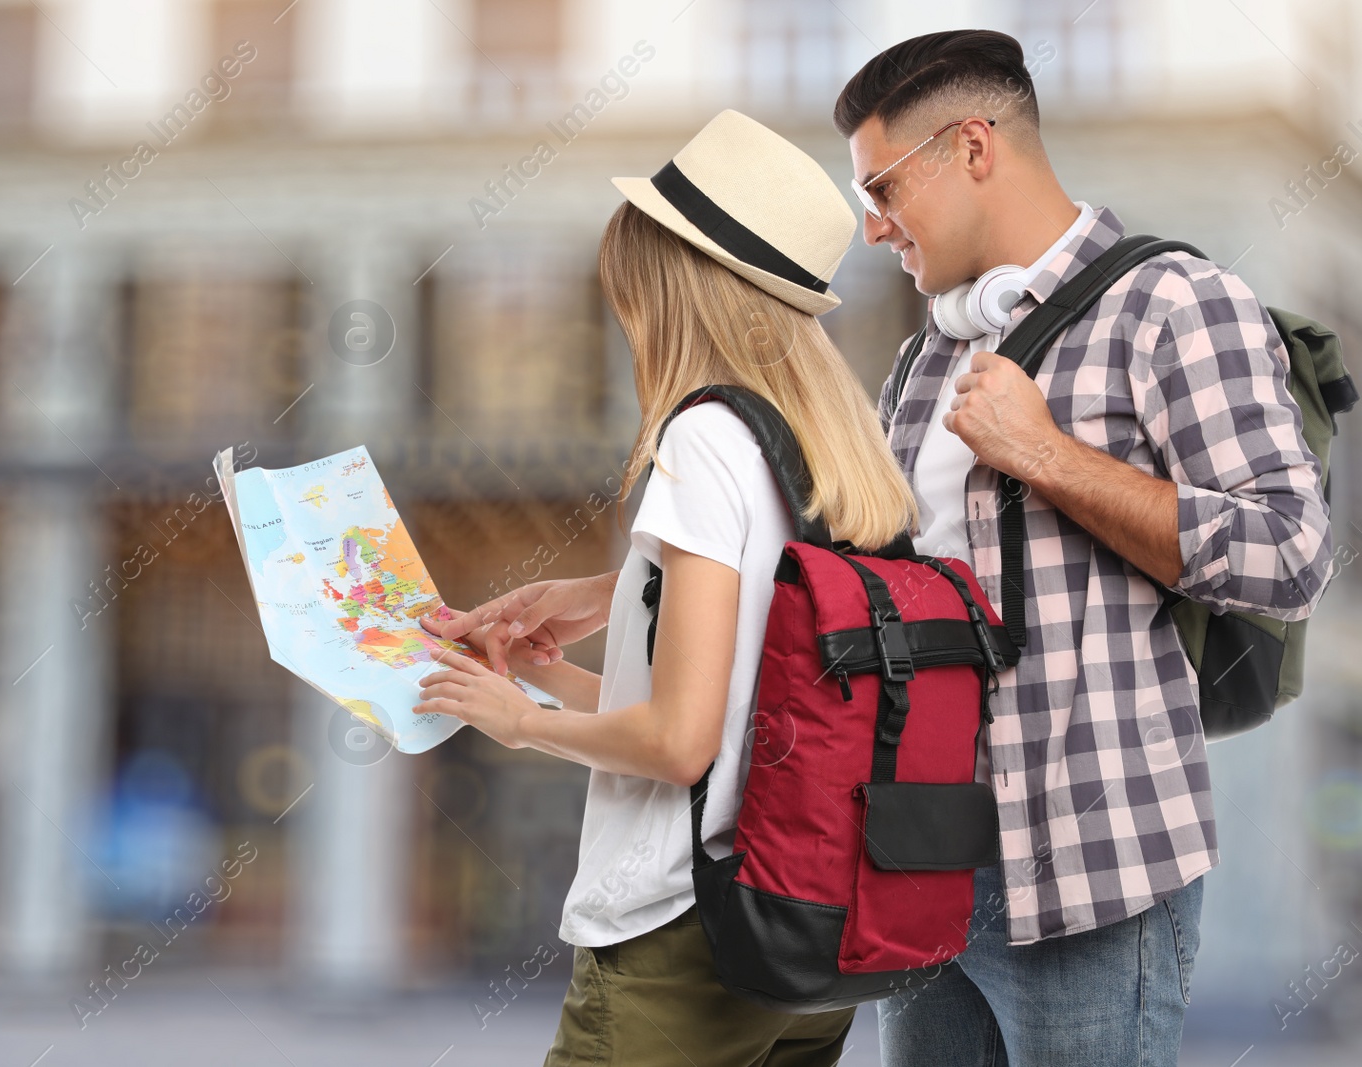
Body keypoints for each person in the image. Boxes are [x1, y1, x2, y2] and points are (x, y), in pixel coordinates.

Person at [439, 29, 1337, 1067]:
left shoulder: (1174, 304)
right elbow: (859, 583)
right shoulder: (925, 356)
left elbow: (1289, 551)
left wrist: (1044, 455)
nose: (870, 230)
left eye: (883, 188)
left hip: (1093, 869)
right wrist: (624, 588)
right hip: (918, 862)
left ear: (971, 147)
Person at [415, 109, 919, 1066]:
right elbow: (743, 711)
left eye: (631, 288)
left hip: (679, 939)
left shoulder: (702, 440)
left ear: (671, 289)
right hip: (808, 934)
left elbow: (679, 744)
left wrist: (513, 719)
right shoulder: (840, 454)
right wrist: (556, 661)